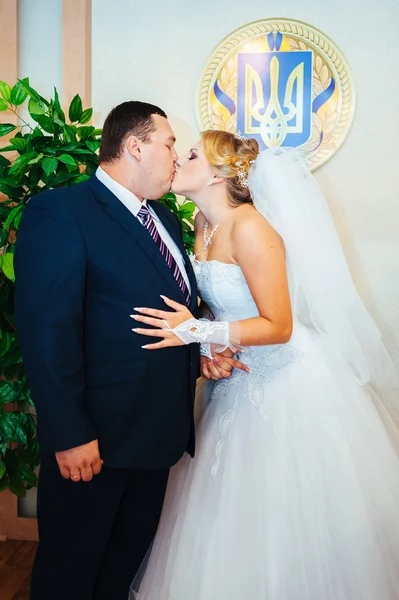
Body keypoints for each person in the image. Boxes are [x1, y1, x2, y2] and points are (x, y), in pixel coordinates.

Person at [130, 130, 399, 600]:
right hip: (236, 377)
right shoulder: (200, 224)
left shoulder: (251, 227)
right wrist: (210, 347)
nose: (177, 160)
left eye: (190, 154)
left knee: (288, 510)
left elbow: (279, 325)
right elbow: (224, 309)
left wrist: (193, 331)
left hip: (286, 381)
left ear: (215, 173)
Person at [14, 102, 241, 600]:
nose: (176, 157)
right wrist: (70, 433)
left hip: (157, 435)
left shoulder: (166, 217)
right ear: (134, 147)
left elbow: (175, 307)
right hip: (96, 439)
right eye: (168, 145)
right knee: (70, 575)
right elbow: (47, 331)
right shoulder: (63, 210)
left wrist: (202, 348)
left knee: (121, 572)